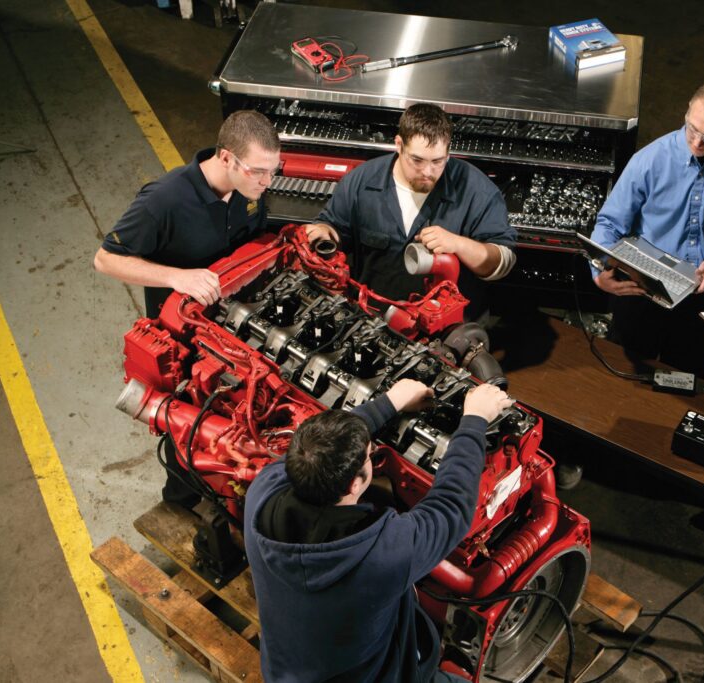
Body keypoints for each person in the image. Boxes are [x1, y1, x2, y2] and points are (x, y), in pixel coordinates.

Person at [94, 110, 335, 507]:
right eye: (258, 171)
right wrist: (177, 277)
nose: (267, 181)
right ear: (226, 158)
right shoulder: (164, 200)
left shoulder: (251, 191)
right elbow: (105, 259)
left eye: (273, 171)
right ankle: (180, 501)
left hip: (239, 323)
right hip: (187, 336)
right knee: (189, 419)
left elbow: (257, 240)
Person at [244, 380, 514, 683]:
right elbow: (452, 506)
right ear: (353, 484)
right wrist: (475, 419)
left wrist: (391, 402)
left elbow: (319, 449)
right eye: (369, 456)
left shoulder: (262, 493)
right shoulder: (383, 555)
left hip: (285, 673)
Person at [589, 80, 704, 379]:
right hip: (644, 288)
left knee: (684, 381)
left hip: (700, 294)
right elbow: (609, 223)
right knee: (627, 376)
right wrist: (599, 272)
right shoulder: (650, 160)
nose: (696, 142)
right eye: (691, 128)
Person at [304, 103, 517, 319]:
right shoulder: (361, 182)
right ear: (399, 145)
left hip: (447, 330)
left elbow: (503, 262)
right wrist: (323, 231)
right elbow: (333, 229)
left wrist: (459, 244)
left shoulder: (476, 191)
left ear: (448, 152)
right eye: (417, 160)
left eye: (437, 161)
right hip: (372, 322)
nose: (427, 171)